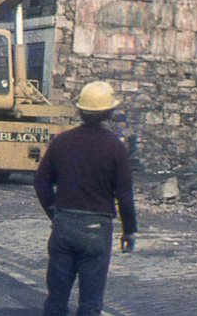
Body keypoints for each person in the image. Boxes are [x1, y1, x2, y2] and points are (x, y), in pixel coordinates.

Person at [34, 80, 137, 316]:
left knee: (56, 300)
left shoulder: (62, 141)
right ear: (109, 112)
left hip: (64, 225)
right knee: (90, 303)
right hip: (96, 229)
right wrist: (129, 231)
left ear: (80, 110)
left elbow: (41, 182)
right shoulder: (115, 148)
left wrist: (54, 213)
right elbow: (125, 196)